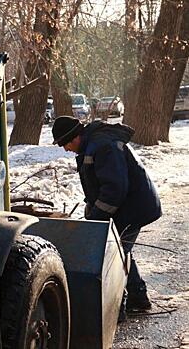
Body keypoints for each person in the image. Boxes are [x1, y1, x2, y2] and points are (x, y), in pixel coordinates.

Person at [51, 116, 162, 321]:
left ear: (75, 136)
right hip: (124, 205)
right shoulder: (89, 146)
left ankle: (117, 307)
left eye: (65, 143)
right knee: (122, 250)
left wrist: (97, 218)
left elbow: (115, 189)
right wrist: (91, 206)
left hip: (134, 206)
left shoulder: (103, 147)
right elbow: (97, 183)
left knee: (114, 254)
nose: (65, 149)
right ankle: (138, 298)